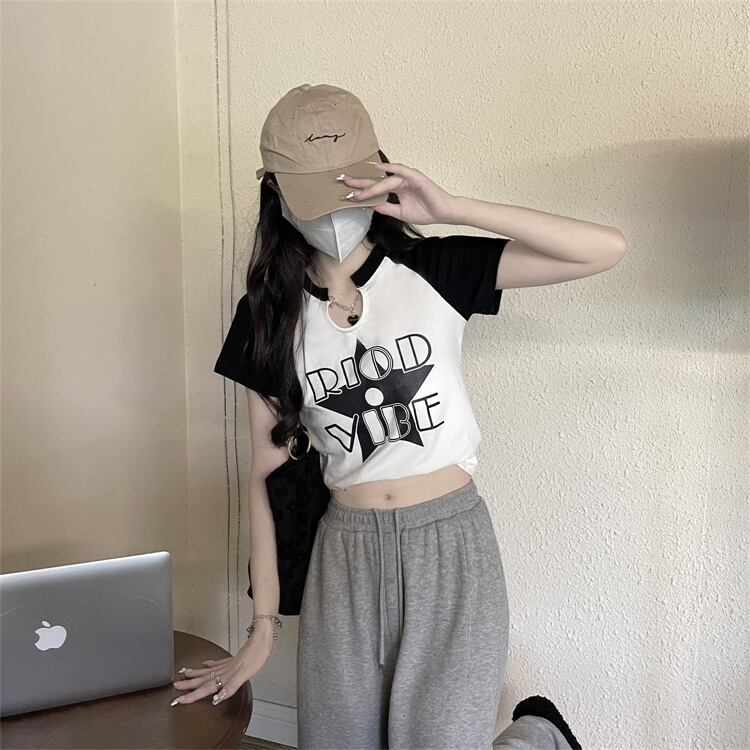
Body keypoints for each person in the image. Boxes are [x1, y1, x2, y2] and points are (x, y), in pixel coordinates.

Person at [171, 83, 627, 749]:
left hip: (451, 548)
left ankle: (538, 736)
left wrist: (450, 208)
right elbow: (267, 476)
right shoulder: (267, 316)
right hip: (343, 557)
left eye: (348, 184)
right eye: (315, 192)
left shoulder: (434, 268)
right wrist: (263, 625)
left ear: (377, 171)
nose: (335, 209)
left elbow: (603, 248)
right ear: (277, 194)